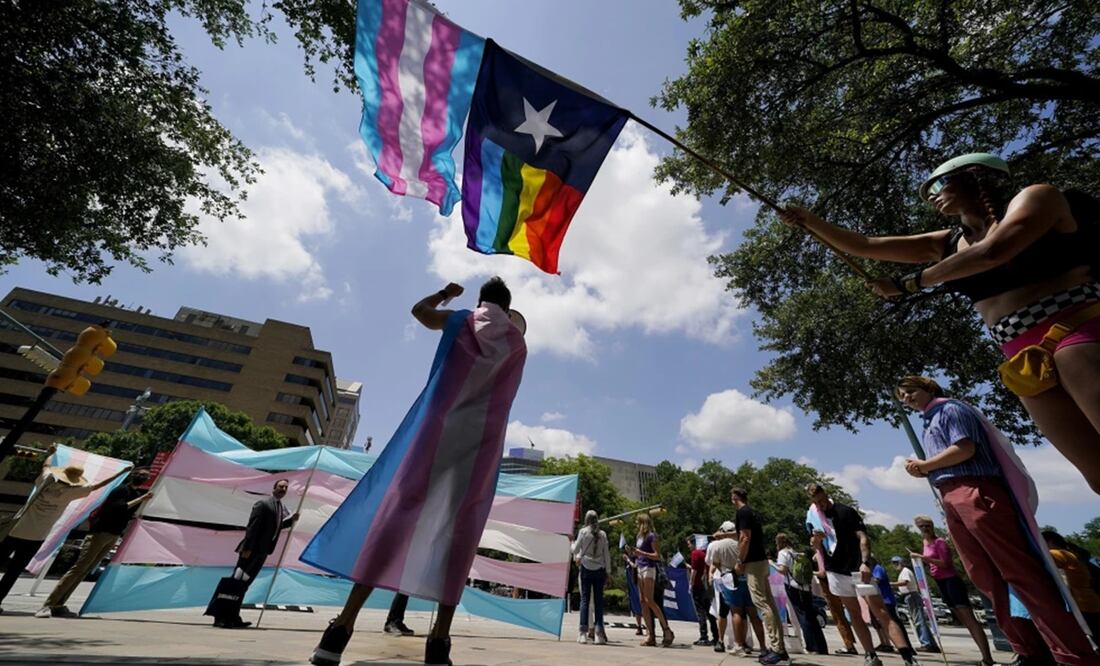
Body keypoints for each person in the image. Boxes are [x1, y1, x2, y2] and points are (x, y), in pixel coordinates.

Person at [780, 154, 1100, 495]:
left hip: (1074, 331)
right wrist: (809, 220)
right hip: (1020, 358)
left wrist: (910, 283)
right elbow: (866, 245)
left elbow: (993, 251)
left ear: (974, 176)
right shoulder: (947, 243)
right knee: (1095, 475)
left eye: (937, 184)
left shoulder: (1038, 197)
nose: (931, 195)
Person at [303, 278, 527, 666]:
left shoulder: (461, 320)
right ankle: (439, 642)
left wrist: (445, 295)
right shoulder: (518, 343)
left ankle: (341, 629)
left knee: (394, 518)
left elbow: (419, 313)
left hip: (435, 433)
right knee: (462, 530)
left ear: (480, 301)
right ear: (507, 309)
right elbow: (513, 344)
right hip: (481, 446)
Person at [898, 376, 1099, 666]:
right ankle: (1028, 648)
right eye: (902, 396)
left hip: (975, 489)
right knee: (984, 576)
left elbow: (965, 448)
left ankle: (1072, 654)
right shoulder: (929, 422)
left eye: (910, 391)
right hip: (950, 495)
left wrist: (925, 466)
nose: (906, 398)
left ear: (928, 388)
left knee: (1019, 572)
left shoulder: (951, 410)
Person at [806, 482, 920, 666]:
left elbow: (863, 538)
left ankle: (908, 656)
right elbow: (816, 546)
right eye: (816, 502)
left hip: (858, 569)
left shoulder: (845, 511)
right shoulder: (814, 517)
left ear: (826, 494)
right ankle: (870, 655)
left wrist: (865, 563)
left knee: (881, 612)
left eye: (822, 500)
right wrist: (816, 540)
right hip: (836, 570)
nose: (821, 505)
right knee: (854, 613)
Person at [0, 452, 130, 612]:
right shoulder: (72, 493)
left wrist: (51, 453)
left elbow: (46, 466)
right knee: (13, 571)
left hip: (16, 530)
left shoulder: (45, 481)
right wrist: (120, 473)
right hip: (36, 537)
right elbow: (97, 486)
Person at [36, 468, 153, 618]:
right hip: (101, 532)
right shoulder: (122, 490)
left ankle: (59, 604)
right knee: (79, 568)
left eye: (146, 476)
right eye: (142, 475)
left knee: (86, 570)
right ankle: (48, 604)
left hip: (113, 534)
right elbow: (119, 507)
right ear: (134, 476)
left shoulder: (135, 493)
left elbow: (129, 513)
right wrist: (142, 499)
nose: (144, 477)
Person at [208, 478, 299, 628]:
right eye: (280, 486)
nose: (283, 489)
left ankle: (233, 616)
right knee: (234, 583)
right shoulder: (263, 504)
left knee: (244, 585)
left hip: (262, 552)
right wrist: (247, 549)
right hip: (250, 551)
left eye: (285, 488)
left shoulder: (279, 507)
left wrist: (290, 521)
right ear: (273, 488)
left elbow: (274, 527)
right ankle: (220, 617)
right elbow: (252, 527)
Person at [717, 488, 788, 665]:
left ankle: (777, 650)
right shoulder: (751, 512)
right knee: (769, 603)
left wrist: (740, 560)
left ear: (734, 498)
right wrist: (726, 535)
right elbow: (743, 533)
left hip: (753, 563)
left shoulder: (742, 512)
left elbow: (744, 538)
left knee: (762, 605)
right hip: (762, 561)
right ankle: (779, 648)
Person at [708, 520, 765, 655]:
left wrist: (712, 575)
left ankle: (739, 644)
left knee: (736, 612)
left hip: (729, 581)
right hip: (747, 579)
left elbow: (715, 564)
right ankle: (763, 646)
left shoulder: (717, 546)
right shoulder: (742, 544)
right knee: (753, 614)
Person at [777, 533, 828, 655]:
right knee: (810, 615)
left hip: (793, 586)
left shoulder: (783, 553)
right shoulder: (796, 553)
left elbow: (783, 570)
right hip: (805, 587)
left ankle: (811, 647)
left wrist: (772, 565)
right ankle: (821, 647)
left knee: (802, 616)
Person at [1042, 530, 1100, 638]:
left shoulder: (1060, 553)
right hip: (1092, 603)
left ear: (1050, 542)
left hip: (1085, 605)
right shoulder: (1073, 553)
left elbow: (1041, 556)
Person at [630, 512, 673, 647]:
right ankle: (650, 635)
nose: (636, 524)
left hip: (649, 568)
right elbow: (639, 553)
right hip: (640, 567)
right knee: (643, 601)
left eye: (638, 521)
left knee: (650, 600)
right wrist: (634, 554)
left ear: (643, 522)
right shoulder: (639, 536)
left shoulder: (651, 536)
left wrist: (642, 553)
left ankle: (667, 630)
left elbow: (657, 555)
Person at [572, 510, 610, 645]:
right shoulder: (603, 534)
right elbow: (607, 555)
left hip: (586, 569)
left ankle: (582, 633)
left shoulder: (583, 532)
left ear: (586, 520)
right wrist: (608, 572)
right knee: (598, 602)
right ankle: (599, 634)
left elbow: (575, 550)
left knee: (585, 601)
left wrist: (571, 543)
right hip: (599, 570)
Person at [890, 556, 939, 653]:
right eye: (893, 563)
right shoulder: (904, 571)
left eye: (896, 562)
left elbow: (905, 582)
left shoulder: (905, 571)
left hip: (912, 596)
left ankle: (926, 643)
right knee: (920, 620)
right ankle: (931, 643)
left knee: (918, 620)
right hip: (910, 596)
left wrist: (891, 584)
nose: (895, 565)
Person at [816, 546, 858, 655]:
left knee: (838, 613)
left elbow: (822, 573)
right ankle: (851, 643)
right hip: (841, 577)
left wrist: (815, 571)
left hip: (829, 582)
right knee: (849, 612)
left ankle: (849, 644)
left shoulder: (821, 547)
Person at [868, 555, 914, 654]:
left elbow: (877, 580)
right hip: (882, 599)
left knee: (894, 623)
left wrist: (865, 579)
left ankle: (907, 647)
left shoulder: (877, 568)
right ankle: (895, 645)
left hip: (887, 600)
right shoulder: (874, 569)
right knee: (888, 623)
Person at [688, 535, 719, 646]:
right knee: (710, 612)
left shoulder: (696, 553)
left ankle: (703, 636)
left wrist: (690, 584)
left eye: (689, 544)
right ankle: (716, 636)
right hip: (707, 586)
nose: (689, 547)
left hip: (698, 585)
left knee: (700, 611)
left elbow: (694, 570)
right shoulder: (706, 553)